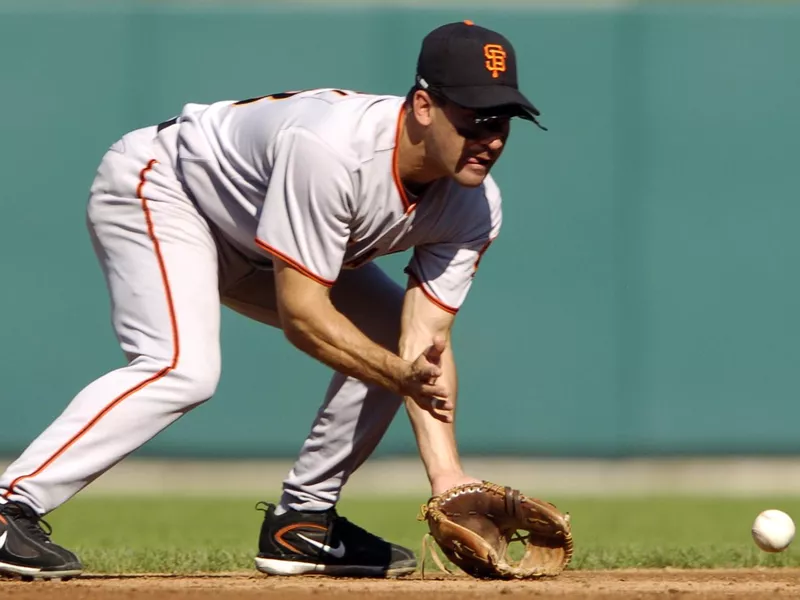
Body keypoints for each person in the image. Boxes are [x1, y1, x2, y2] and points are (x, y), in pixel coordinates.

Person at [0, 20, 544, 580]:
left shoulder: (474, 206)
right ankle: (8, 505)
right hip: (170, 189)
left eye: (503, 121)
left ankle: (302, 524)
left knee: (386, 337)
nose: (493, 138)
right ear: (425, 106)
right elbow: (304, 317)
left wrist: (447, 476)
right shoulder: (333, 149)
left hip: (257, 239)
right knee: (182, 368)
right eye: (475, 119)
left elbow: (422, 345)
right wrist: (396, 373)